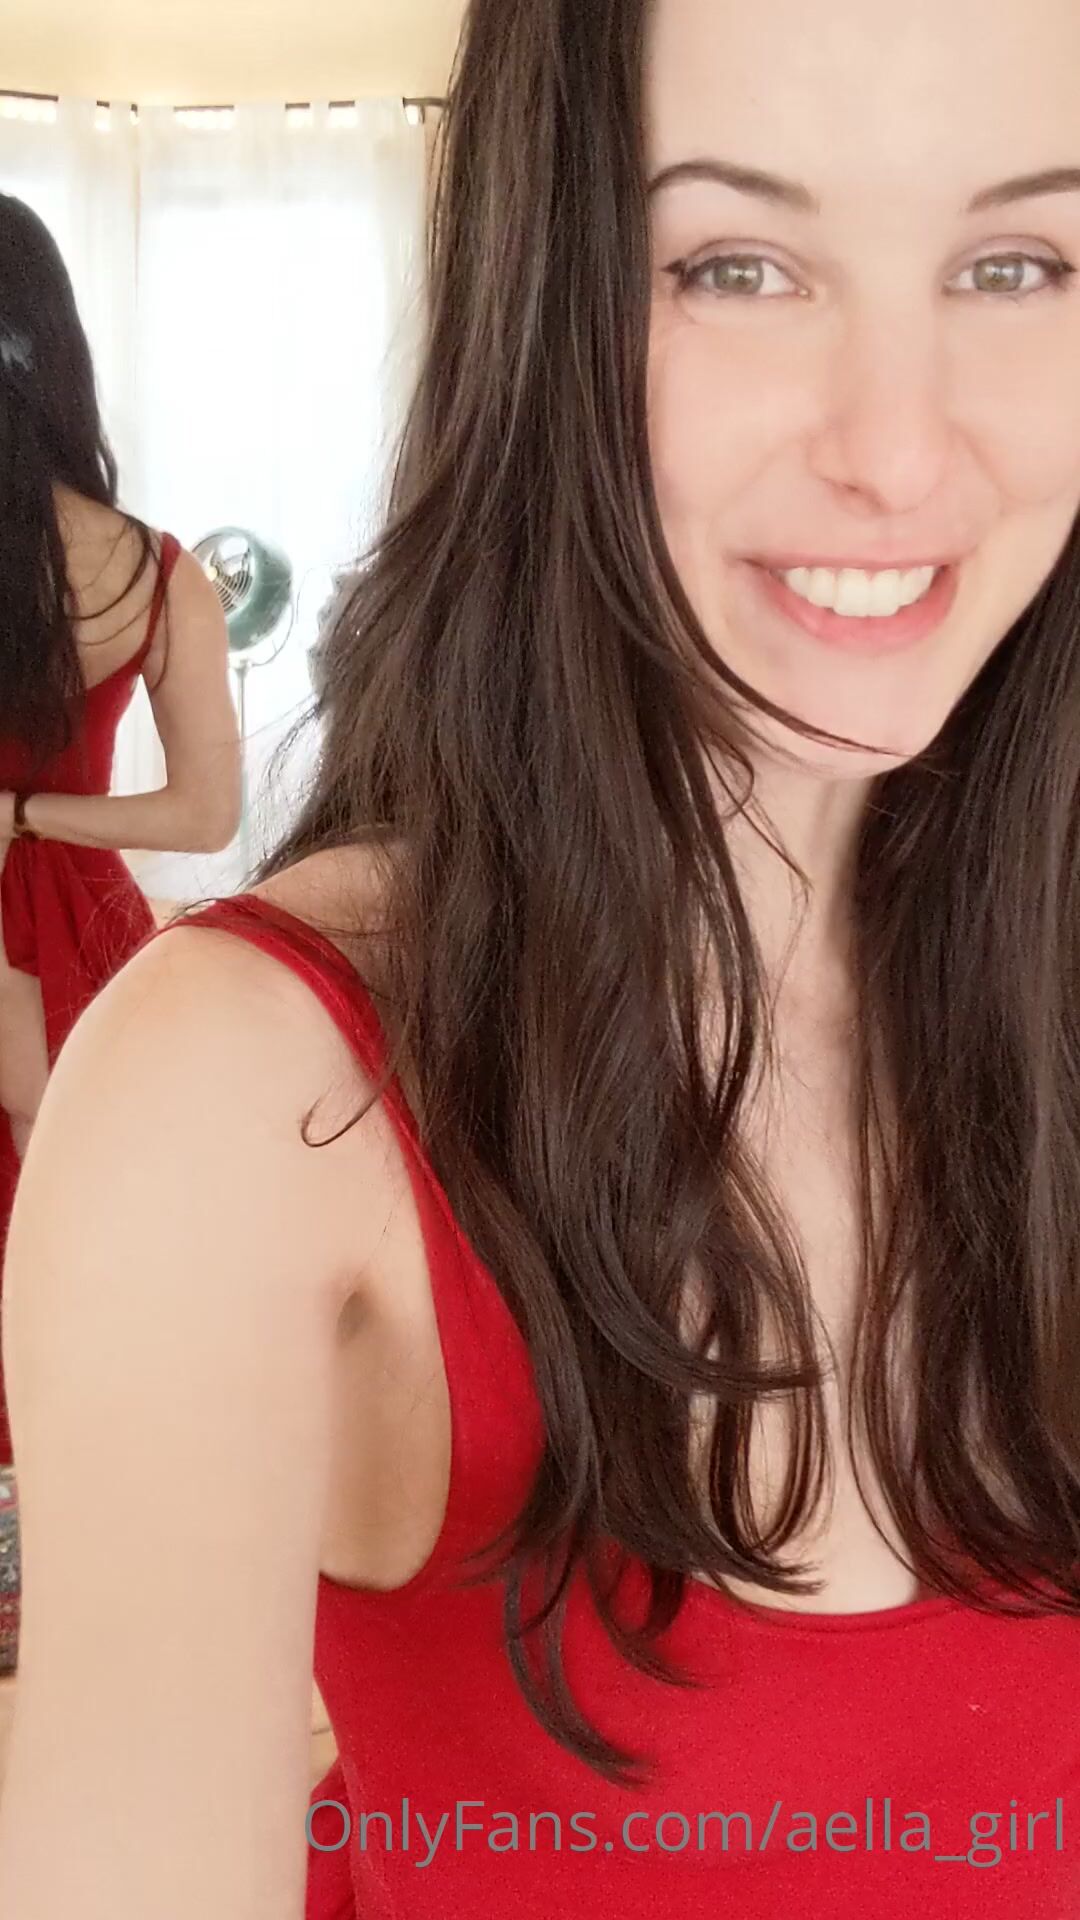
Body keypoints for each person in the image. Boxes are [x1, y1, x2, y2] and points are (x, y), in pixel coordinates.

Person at [1, 0, 1080, 1911]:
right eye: (739, 263)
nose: (901, 450)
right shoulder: (249, 1102)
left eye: (1019, 263)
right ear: (544, 296)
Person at [0, 194, 242, 1461]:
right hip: (81, 937)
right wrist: (30, 815)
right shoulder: (155, 570)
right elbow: (206, 810)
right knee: (87, 1239)